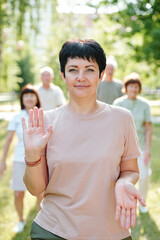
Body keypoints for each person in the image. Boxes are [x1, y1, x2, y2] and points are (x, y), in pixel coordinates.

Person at [22, 39, 146, 240]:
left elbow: (131, 170)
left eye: (89, 69)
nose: (81, 77)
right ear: (63, 75)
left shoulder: (122, 118)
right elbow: (36, 188)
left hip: (112, 232)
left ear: (101, 75)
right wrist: (32, 154)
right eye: (73, 70)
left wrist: (124, 182)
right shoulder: (46, 122)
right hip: (54, 231)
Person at [0, 84, 42, 233]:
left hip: (39, 160)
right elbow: (8, 141)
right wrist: (2, 161)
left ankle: (41, 222)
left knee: (41, 194)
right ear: (22, 99)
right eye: (26, 95)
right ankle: (20, 220)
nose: (29, 98)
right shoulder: (17, 117)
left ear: (37, 98)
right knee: (18, 194)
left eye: (32, 95)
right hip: (20, 160)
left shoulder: (43, 115)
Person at [114, 72, 152, 213]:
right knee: (121, 178)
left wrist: (147, 150)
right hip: (121, 148)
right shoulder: (118, 103)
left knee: (144, 175)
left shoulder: (145, 105)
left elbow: (148, 128)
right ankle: (122, 201)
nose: (133, 89)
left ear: (139, 89)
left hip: (140, 147)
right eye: (131, 86)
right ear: (126, 87)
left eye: (136, 87)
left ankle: (142, 203)